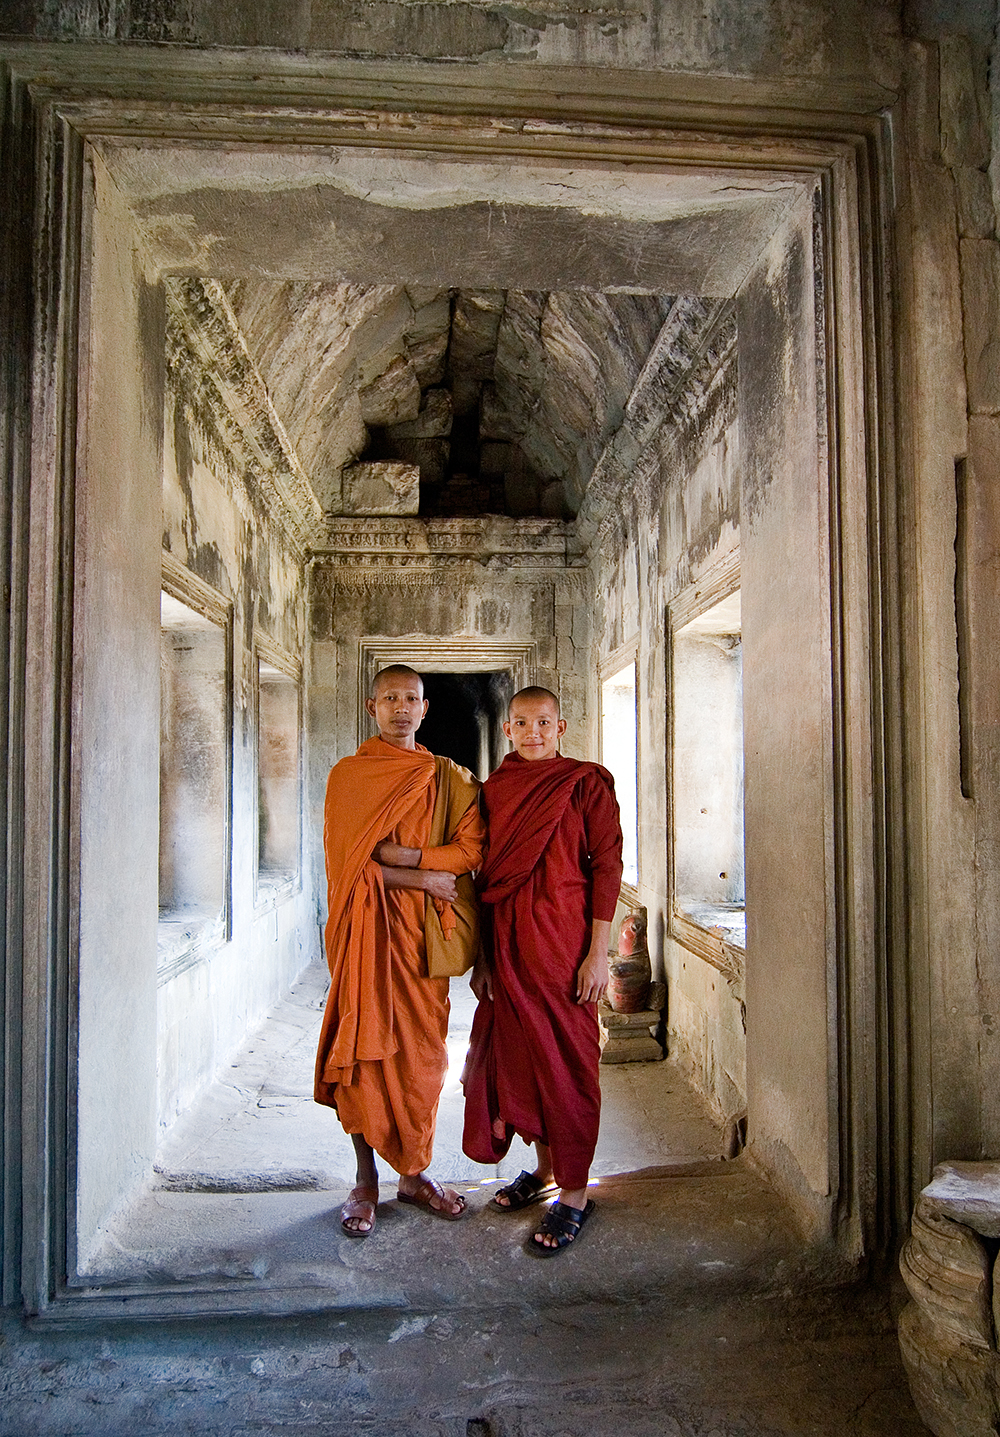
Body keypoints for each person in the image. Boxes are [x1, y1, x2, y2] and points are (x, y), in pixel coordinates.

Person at [315, 665, 485, 1237]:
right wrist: (423, 881)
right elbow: (349, 875)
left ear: (425, 708)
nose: (401, 708)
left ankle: (413, 1175)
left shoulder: (448, 779)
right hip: (366, 936)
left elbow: (468, 852)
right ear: (372, 708)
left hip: (422, 945)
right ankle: (364, 1181)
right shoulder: (349, 779)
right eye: (390, 699)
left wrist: (410, 861)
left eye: (411, 699)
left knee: (424, 1060)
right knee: (364, 1055)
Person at [462, 686, 623, 1256]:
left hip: (564, 943)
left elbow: (606, 866)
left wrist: (597, 951)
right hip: (507, 941)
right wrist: (482, 956)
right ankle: (546, 1169)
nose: (533, 732)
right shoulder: (495, 790)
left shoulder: (585, 783)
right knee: (525, 1059)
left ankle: (576, 1195)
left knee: (570, 1061)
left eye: (544, 722)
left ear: (562, 726)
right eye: (523, 723)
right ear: (507, 730)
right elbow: (481, 878)